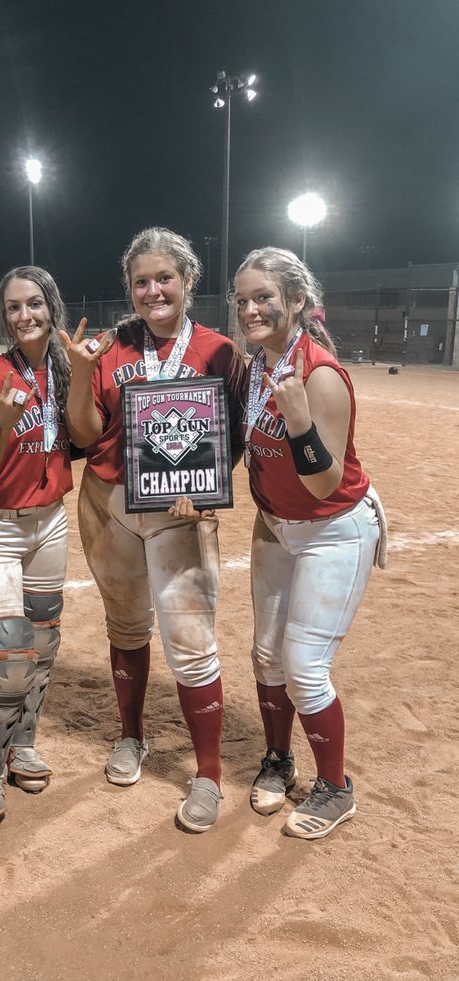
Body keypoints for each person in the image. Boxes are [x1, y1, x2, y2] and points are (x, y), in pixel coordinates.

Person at [61, 227, 244, 834]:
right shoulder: (111, 346)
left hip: (178, 514)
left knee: (191, 642)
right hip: (108, 499)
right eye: (141, 281)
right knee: (126, 623)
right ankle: (132, 736)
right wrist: (82, 375)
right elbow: (85, 436)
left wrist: (210, 488)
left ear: (188, 281)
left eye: (164, 278)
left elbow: (233, 434)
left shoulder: (219, 350)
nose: (153, 290)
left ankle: (209, 774)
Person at [232, 246, 384, 839]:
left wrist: (297, 419)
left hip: (333, 530)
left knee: (304, 667)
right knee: (266, 655)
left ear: (297, 300)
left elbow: (323, 482)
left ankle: (336, 788)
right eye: (242, 299)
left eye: (264, 297)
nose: (251, 308)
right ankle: (277, 758)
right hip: (275, 526)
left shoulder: (320, 374)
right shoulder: (259, 364)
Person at [0, 266, 75, 830]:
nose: (25, 315)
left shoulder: (64, 369)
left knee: (44, 642)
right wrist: (3, 425)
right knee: (7, 654)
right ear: (3, 316)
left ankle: (22, 743)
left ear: (51, 305)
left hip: (50, 521)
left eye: (34, 304)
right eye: (12, 307)